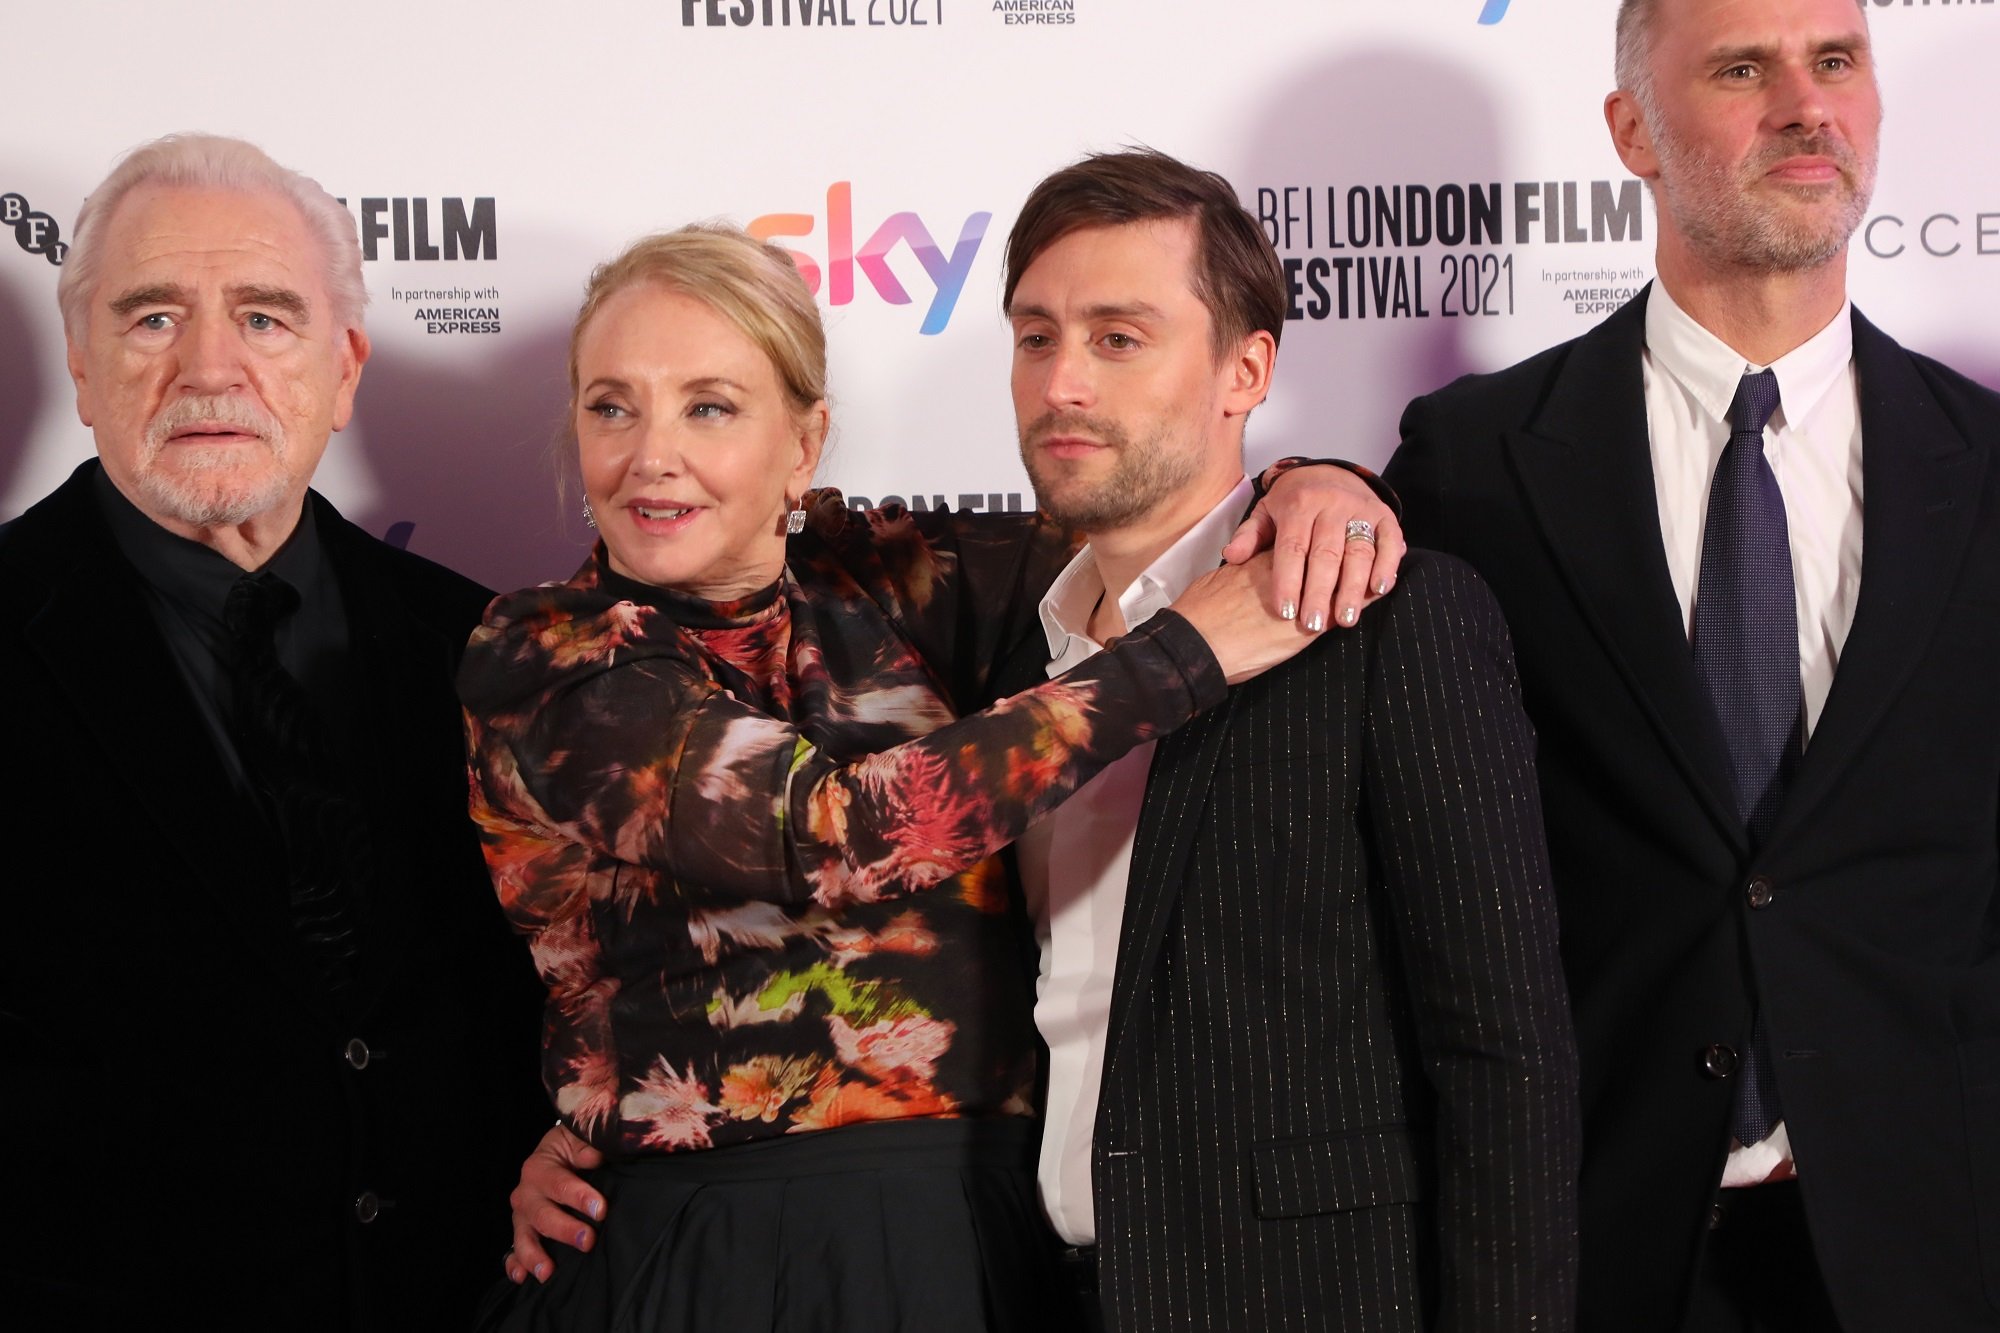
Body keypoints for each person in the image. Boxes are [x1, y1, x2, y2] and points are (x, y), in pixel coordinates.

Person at [456, 222, 1384, 1330]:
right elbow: (831, 833)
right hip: (712, 1252)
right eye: (612, 405)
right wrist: (1183, 658)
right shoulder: (543, 654)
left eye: (708, 405)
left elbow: (1148, 520)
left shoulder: (888, 579)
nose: (650, 453)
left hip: (982, 1236)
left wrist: (1309, 482)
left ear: (804, 445)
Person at [1384, 1, 2000, 1328]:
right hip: (1594, 1237)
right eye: (1741, 69)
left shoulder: (1989, 468)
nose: (1805, 104)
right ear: (1631, 131)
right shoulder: (1474, 464)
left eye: (1835, 62)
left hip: (1933, 1245)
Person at [992, 149, 1578, 1333]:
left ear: (1243, 370)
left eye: (1118, 338)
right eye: (1034, 335)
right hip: (1033, 1294)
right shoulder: (1011, 647)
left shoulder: (1384, 620)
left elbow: (1502, 1055)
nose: (1060, 383)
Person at [0, 134, 547, 1327]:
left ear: (344, 368)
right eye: (151, 320)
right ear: (81, 369)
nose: (210, 368)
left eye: (264, 317)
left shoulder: (485, 645)